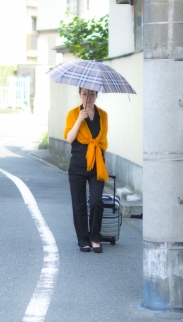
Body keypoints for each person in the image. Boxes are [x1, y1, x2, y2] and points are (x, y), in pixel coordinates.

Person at [64, 87, 109, 253]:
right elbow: (69, 138)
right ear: (79, 95)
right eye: (84, 93)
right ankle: (83, 239)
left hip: (97, 165)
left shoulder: (102, 115)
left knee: (96, 202)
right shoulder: (73, 113)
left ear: (96, 95)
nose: (88, 97)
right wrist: (79, 120)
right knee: (79, 205)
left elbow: (102, 142)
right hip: (77, 165)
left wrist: (104, 163)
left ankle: (95, 237)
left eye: (91, 93)